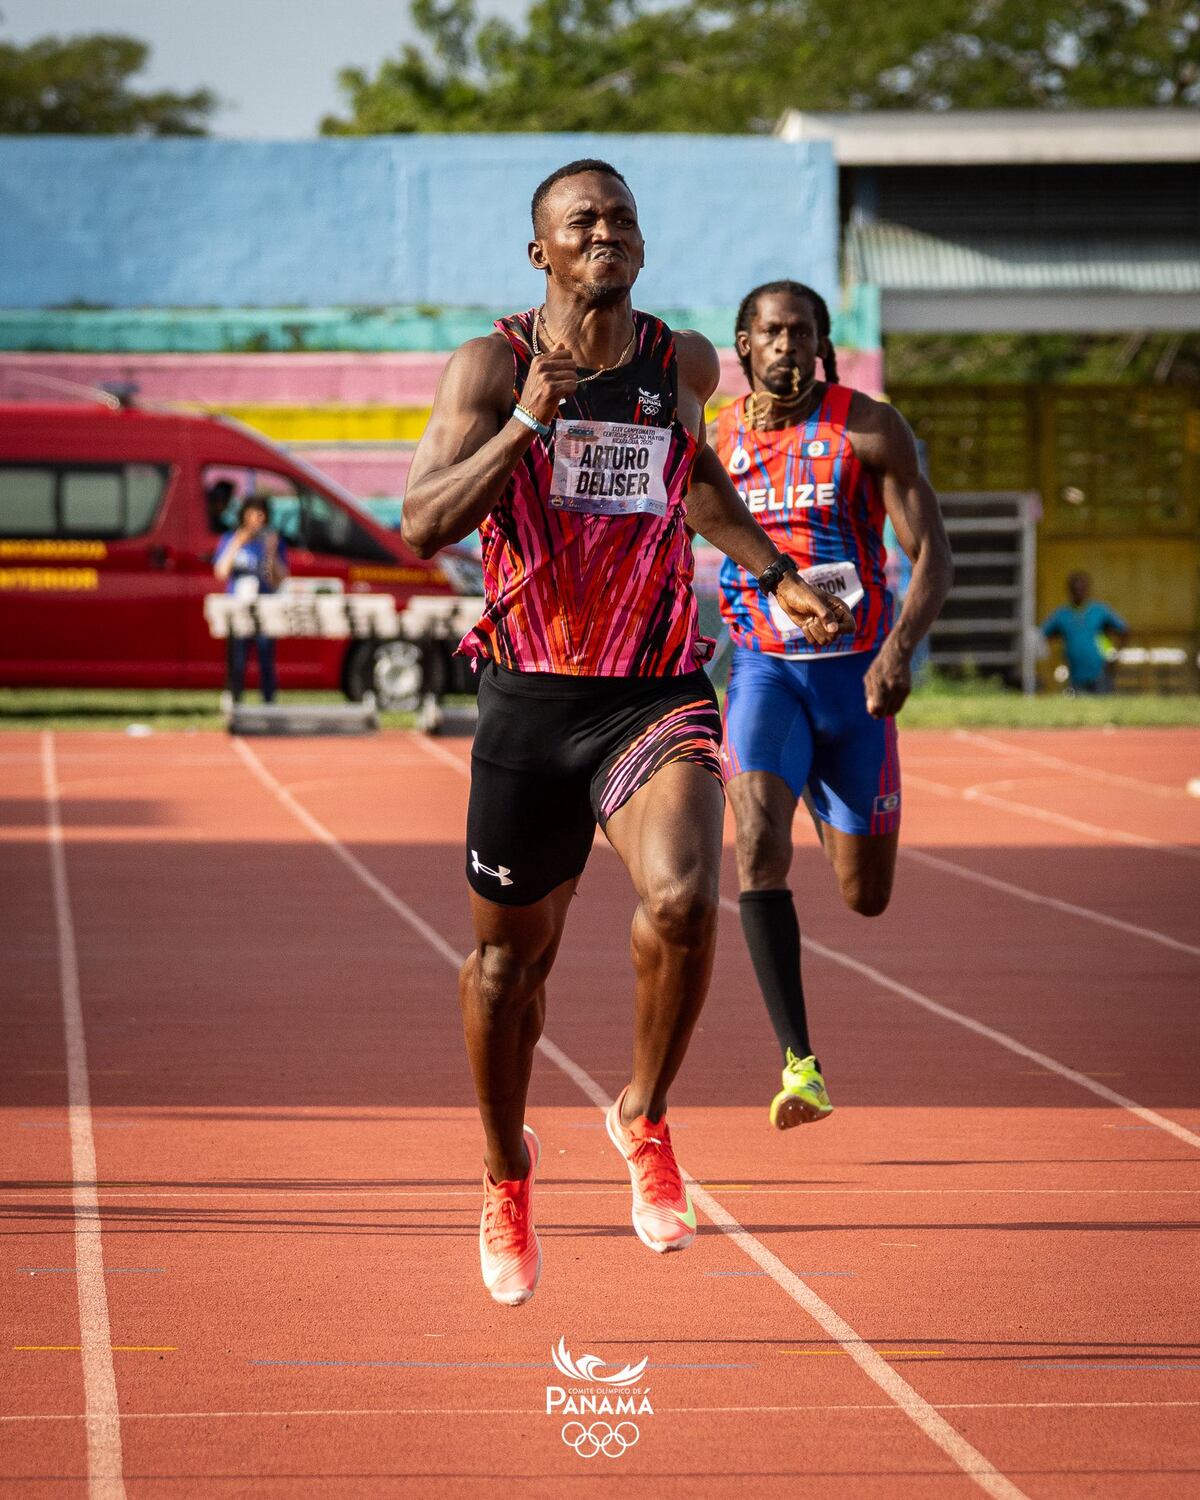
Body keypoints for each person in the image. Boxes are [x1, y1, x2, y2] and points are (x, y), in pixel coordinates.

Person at [401, 162, 852, 1306]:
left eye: (623, 218)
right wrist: (523, 425)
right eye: (581, 221)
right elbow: (420, 523)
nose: (607, 232)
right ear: (540, 253)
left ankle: (643, 1114)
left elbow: (692, 476)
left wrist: (775, 571)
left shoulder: (681, 362)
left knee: (686, 896)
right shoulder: (490, 366)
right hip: (528, 698)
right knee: (509, 968)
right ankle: (507, 1172)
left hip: (649, 691)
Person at [715, 279, 953, 1131]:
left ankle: (824, 784)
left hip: (856, 684)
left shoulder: (869, 427)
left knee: (865, 897)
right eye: (770, 333)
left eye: (801, 332)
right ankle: (799, 1065)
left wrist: (897, 654)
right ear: (743, 345)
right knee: (757, 854)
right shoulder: (710, 439)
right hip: (765, 674)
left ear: (821, 345)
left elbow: (934, 558)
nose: (786, 346)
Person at [214, 495, 289, 703]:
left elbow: (279, 578)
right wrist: (238, 543)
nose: (259, 517)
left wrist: (271, 552)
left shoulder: (271, 541)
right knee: (237, 659)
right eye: (254, 512)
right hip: (238, 606)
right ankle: (234, 700)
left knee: (266, 657)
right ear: (245, 514)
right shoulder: (232, 539)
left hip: (263, 605)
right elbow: (221, 571)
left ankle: (268, 702)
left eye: (262, 513)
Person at [1041, 571, 1128, 694]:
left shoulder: (1100, 611)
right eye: (1075, 589)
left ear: (1088, 589)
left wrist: (1115, 658)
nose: (1079, 592)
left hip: (1100, 671)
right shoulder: (1062, 614)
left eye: (1082, 588)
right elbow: (1042, 634)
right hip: (1074, 674)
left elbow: (1123, 630)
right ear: (1070, 591)